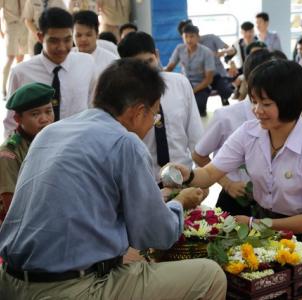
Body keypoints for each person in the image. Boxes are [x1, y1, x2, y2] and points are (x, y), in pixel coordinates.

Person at [0, 59, 227, 300]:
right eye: (155, 115)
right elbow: (156, 235)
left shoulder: (51, 132)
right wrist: (179, 203)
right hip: (69, 289)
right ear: (139, 112)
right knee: (209, 276)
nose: (153, 123)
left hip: (10, 281)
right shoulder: (125, 142)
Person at [175, 60, 302, 254]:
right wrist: (189, 176)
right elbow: (210, 172)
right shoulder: (249, 132)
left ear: (290, 104)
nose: (257, 110)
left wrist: (256, 224)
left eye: (266, 104)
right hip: (264, 226)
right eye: (254, 101)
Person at [192, 50, 272, 217]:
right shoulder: (226, 116)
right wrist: (227, 184)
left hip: (272, 202)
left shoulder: (282, 117)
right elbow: (199, 155)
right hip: (235, 200)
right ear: (249, 81)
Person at [118, 31, 204, 184]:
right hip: (144, 182)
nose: (146, 70)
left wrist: (199, 177)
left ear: (156, 55)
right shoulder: (121, 96)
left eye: (149, 61)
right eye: (137, 65)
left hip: (182, 176)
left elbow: (195, 134)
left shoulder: (179, 83)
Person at [3, 7, 96, 138]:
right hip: (35, 148)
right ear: (40, 37)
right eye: (54, 41)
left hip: (77, 144)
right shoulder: (21, 72)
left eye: (67, 40)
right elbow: (11, 122)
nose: (62, 47)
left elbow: (92, 106)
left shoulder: (87, 63)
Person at [0, 82, 54, 223]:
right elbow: (10, 207)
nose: (44, 119)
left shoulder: (55, 140)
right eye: (35, 114)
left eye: (48, 111)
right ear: (18, 119)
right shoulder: (8, 153)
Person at [177, 19, 234, 106]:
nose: (189, 37)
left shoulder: (211, 38)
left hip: (216, 75)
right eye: (186, 34)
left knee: (226, 90)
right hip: (198, 80)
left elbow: (231, 49)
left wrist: (221, 53)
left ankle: (225, 98)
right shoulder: (183, 49)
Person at [165, 25, 215, 117]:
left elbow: (208, 79)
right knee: (177, 108)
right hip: (184, 83)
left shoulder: (207, 52)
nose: (188, 40)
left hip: (201, 85)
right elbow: (169, 68)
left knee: (199, 109)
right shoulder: (179, 48)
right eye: (186, 37)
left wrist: (192, 91)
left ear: (198, 37)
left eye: (191, 36)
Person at [72, 10, 118, 76]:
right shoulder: (66, 58)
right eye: (78, 35)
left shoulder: (111, 62)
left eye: (88, 35)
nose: (83, 39)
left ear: (97, 34)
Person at [0, 0, 29, 98]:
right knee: (10, 57)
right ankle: (4, 89)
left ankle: (17, 88)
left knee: (21, 58)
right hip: (11, 25)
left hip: (24, 25)